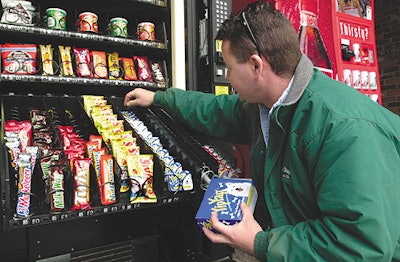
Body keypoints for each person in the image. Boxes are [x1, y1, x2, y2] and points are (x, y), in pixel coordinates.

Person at [124, 1, 400, 261]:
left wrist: (259, 242)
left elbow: (361, 247)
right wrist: (160, 99)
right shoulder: (268, 105)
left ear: (256, 66)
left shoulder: (342, 128)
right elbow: (215, 110)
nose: (228, 77)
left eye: (230, 68)